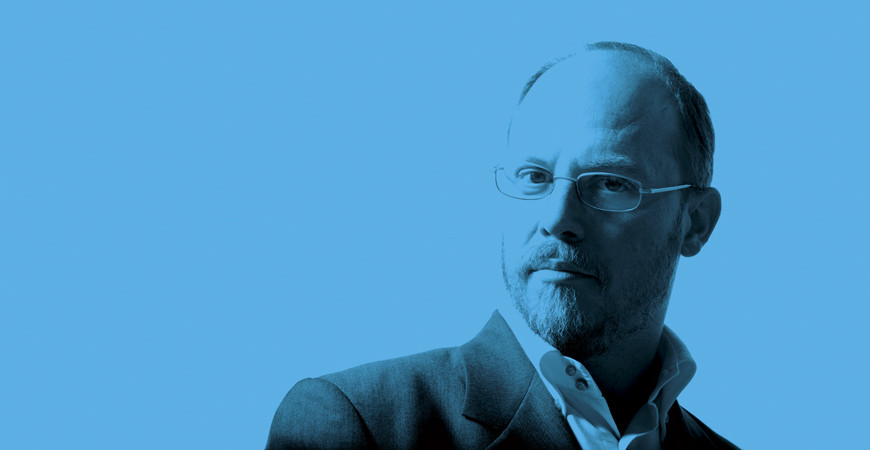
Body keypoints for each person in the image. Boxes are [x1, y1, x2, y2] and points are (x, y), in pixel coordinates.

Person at [266, 41, 738, 449]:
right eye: (534, 177)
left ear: (696, 223)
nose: (557, 219)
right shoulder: (360, 426)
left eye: (610, 183)